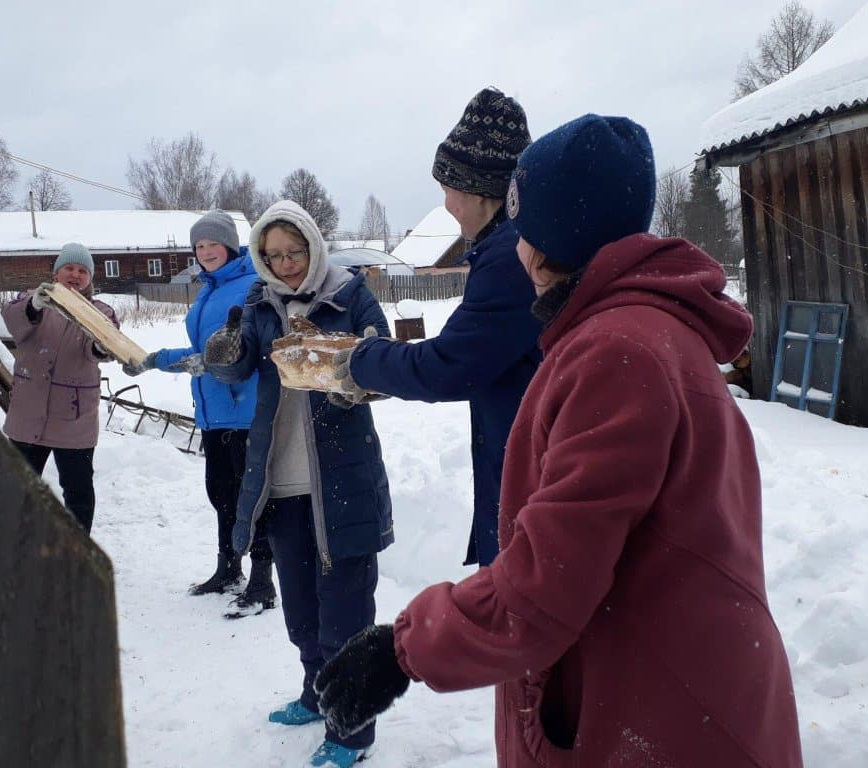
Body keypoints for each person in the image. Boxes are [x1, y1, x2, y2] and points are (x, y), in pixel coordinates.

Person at [314, 115, 805, 767]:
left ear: (542, 243)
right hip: (665, 684)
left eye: (519, 230)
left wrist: (402, 650)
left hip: (655, 713)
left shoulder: (615, 353)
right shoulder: (643, 331)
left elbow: (550, 579)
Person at [204, 200, 393, 768]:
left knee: (347, 617)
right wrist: (227, 348)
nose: (286, 265)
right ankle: (316, 694)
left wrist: (347, 380)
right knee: (304, 614)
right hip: (282, 481)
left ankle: (352, 731)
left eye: (295, 252)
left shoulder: (349, 295)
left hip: (342, 480)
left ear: (314, 246)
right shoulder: (259, 303)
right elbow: (236, 371)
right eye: (274, 255)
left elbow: (380, 365)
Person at [333, 86, 541, 567]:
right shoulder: (510, 246)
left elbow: (451, 365)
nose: (445, 202)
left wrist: (363, 362)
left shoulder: (512, 257)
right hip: (526, 468)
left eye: (447, 188)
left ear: (477, 190)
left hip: (533, 479)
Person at [122, 210, 276, 616]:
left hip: (246, 409)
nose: (206, 252)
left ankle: (262, 579)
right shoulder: (207, 289)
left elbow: (249, 346)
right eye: (199, 246)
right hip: (213, 411)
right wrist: (156, 359)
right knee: (222, 495)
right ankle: (228, 568)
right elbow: (202, 351)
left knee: (253, 497)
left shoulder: (252, 285)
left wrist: (211, 362)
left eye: (212, 244)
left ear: (229, 245)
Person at [2, 242, 117, 535]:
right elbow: (12, 320)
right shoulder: (32, 301)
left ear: (90, 278)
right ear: (56, 273)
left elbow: (100, 348)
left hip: (73, 418)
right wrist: (33, 305)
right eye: (69, 268)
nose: (75, 275)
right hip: (28, 415)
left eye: (82, 270)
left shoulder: (101, 311)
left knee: (77, 493)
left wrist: (103, 345)